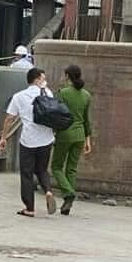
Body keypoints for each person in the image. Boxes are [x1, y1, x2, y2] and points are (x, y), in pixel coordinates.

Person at [0, 67, 57, 218]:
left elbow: (9, 119)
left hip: (28, 141)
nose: (45, 81)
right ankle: (48, 191)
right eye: (43, 78)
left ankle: (29, 208)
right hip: (47, 139)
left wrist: (4, 137)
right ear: (36, 79)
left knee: (26, 173)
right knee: (42, 169)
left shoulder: (19, 96)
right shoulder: (48, 93)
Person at [51, 64, 93, 215]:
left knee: (56, 167)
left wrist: (53, 132)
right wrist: (88, 140)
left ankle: (68, 193)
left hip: (65, 134)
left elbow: (56, 115)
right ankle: (67, 203)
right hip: (80, 135)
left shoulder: (62, 93)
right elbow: (87, 120)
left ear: (67, 76)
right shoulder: (86, 95)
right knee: (72, 169)